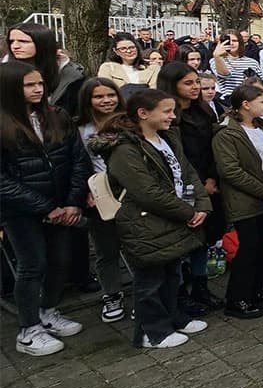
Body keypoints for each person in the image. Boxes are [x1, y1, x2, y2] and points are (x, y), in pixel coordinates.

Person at [96, 88, 212, 348]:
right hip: (144, 221)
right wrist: (188, 212)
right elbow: (146, 191)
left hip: (173, 217)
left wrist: (202, 205)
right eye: (167, 111)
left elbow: (188, 171)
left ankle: (174, 317)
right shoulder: (125, 149)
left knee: (172, 273)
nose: (173, 116)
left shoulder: (168, 137)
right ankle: (152, 331)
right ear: (143, 113)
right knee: (150, 279)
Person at [0, 62, 92, 356]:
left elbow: (78, 158)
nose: (38, 89)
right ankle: (28, 330)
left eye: (40, 83)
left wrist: (72, 201)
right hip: (22, 211)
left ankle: (48, 311)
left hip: (63, 205)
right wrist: (45, 207)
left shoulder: (56, 116)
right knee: (32, 265)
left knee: (59, 261)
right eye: (29, 85)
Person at [157, 62, 224, 315]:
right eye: (189, 83)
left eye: (197, 82)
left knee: (203, 239)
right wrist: (197, 184)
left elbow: (210, 148)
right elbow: (178, 157)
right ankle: (180, 292)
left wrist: (211, 179)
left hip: (208, 181)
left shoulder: (203, 112)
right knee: (184, 241)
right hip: (182, 186)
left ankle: (200, 286)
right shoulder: (169, 117)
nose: (196, 87)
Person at [212, 84, 263, 319]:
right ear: (246, 105)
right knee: (247, 250)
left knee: (259, 248)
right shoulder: (227, 134)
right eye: (262, 101)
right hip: (245, 201)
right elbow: (231, 171)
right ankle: (237, 299)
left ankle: (254, 292)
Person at [76, 78, 128, 323]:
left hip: (130, 191)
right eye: (99, 97)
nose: (106, 100)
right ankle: (111, 293)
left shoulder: (128, 122)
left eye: (110, 95)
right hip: (97, 194)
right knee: (106, 249)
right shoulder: (78, 129)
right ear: (88, 100)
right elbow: (75, 163)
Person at [212, 32, 260, 100]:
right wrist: (217, 56)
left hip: (248, 99)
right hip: (227, 100)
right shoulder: (215, 60)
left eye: (235, 41)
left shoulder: (252, 62)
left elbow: (260, 82)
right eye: (228, 41)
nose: (231, 43)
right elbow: (225, 75)